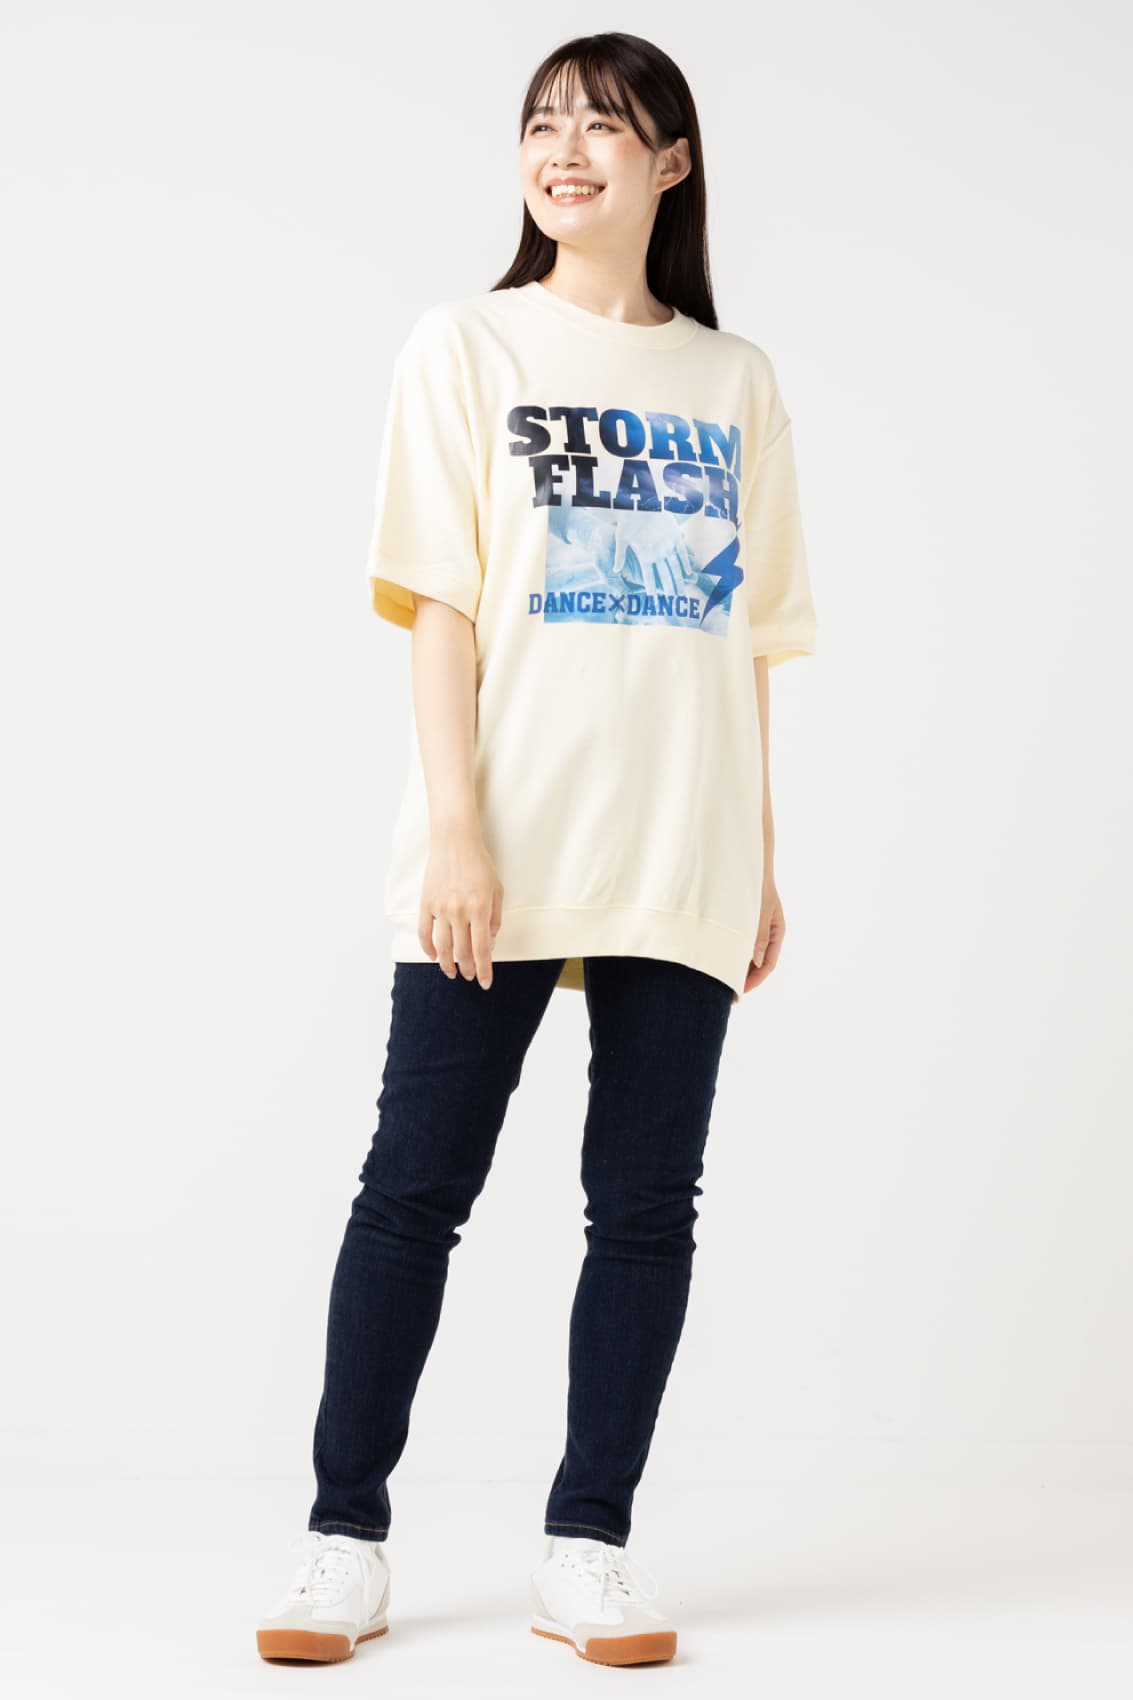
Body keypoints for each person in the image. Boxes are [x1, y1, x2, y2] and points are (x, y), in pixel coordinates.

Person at [256, 30, 817, 1670]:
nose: (564, 150)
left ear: (671, 164)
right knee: (412, 1190)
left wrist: (756, 853)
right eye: (543, 123)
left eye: (604, 126)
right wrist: (455, 829)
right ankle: (342, 1541)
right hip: (495, 846)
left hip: (680, 848)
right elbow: (437, 606)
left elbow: (748, 641)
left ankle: (589, 1548)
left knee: (644, 1209)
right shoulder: (467, 346)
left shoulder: (734, 381)